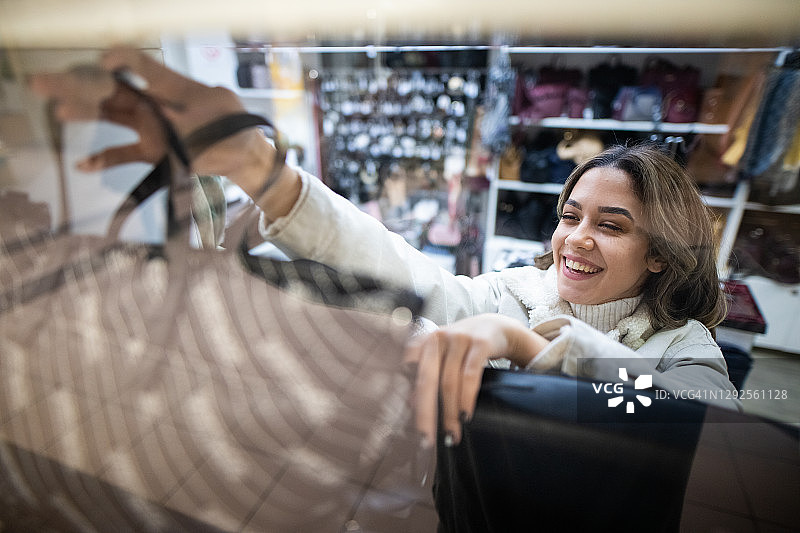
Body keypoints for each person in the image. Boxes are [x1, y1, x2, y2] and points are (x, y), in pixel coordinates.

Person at [30, 48, 739, 453]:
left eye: (611, 225)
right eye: (570, 215)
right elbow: (410, 273)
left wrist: (527, 346)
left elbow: (693, 414)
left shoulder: (689, 349)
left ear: (658, 253)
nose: (576, 238)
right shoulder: (521, 289)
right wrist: (267, 179)